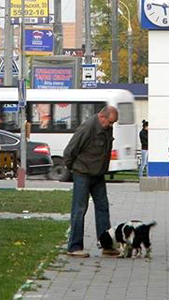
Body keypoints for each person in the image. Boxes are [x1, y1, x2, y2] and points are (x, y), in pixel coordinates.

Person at [63, 105, 120, 258]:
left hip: (98, 174)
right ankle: (74, 247)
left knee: (103, 207)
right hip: (82, 173)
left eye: (112, 123)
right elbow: (69, 151)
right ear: (102, 117)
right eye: (109, 122)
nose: (110, 126)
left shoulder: (107, 128)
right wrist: (73, 169)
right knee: (79, 209)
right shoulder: (87, 128)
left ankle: (106, 244)